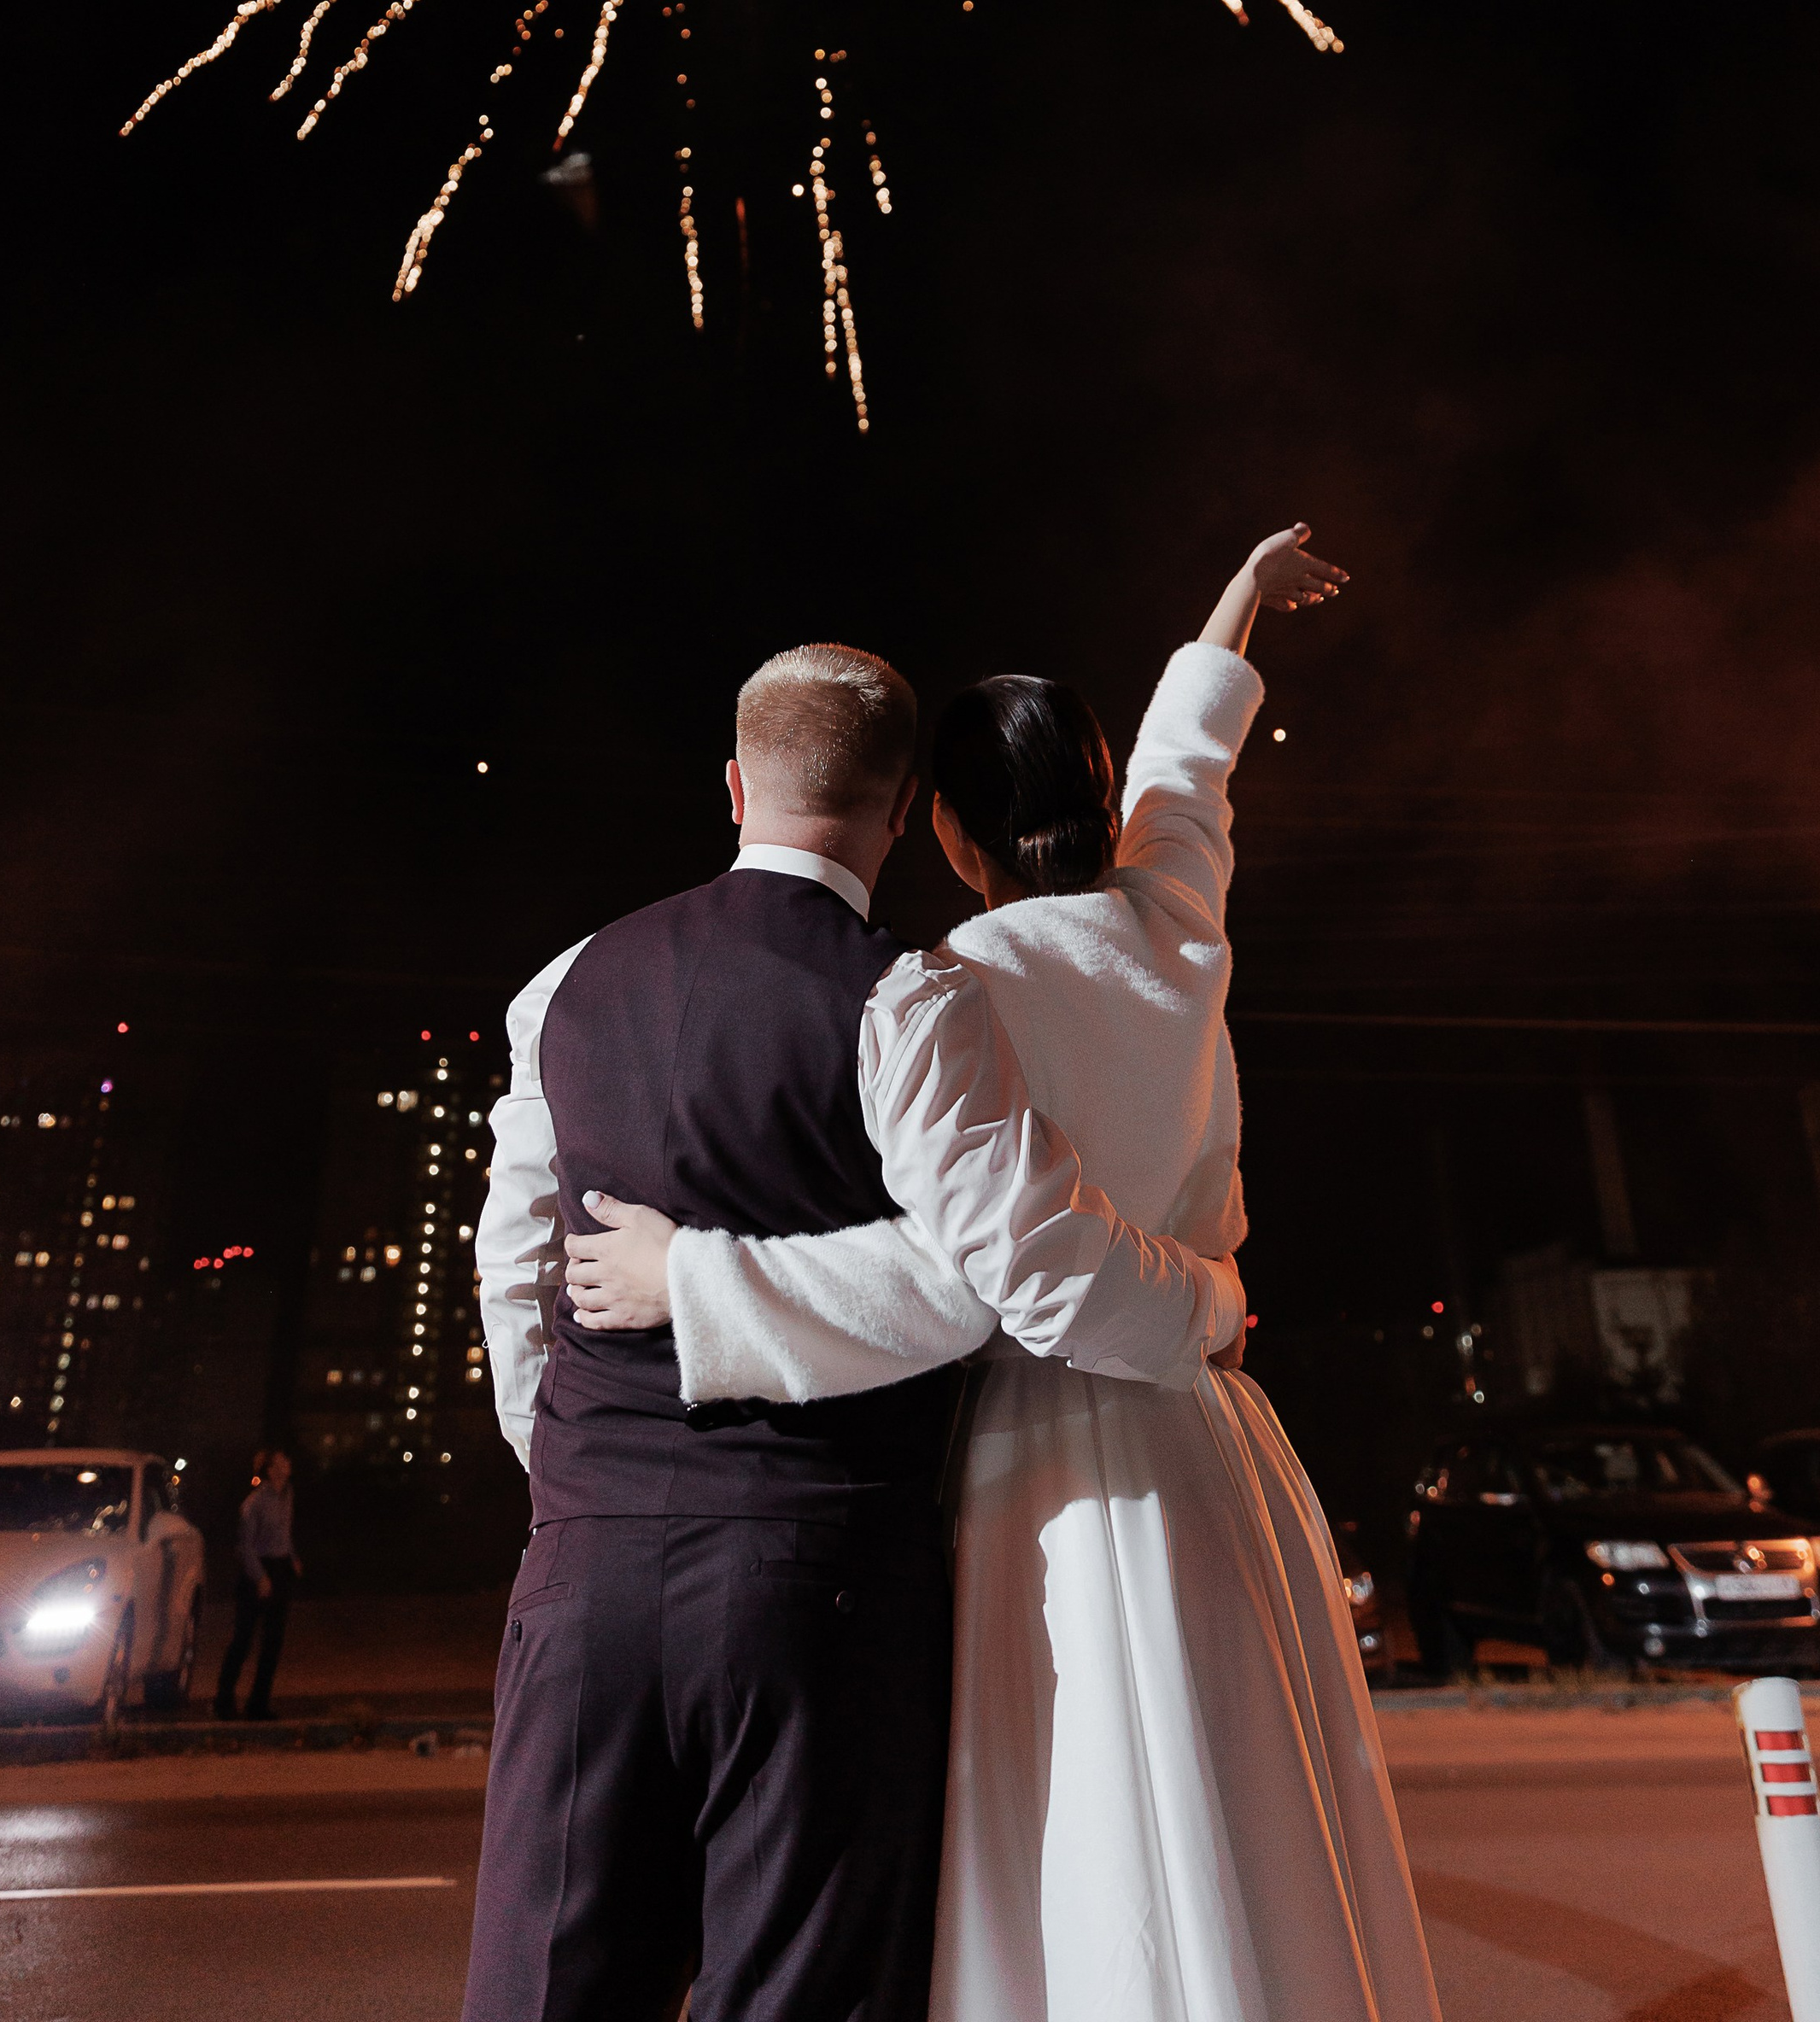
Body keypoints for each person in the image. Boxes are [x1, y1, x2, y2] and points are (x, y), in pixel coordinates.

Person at [571, 528, 1444, 2022]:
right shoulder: (1180, 927)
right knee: (1249, 1821)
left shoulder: (949, 994)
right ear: (1097, 802)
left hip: (1053, 1456)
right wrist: (1235, 609)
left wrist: (696, 1281)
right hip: (1224, 1449)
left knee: (1082, 1844)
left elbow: (984, 1273)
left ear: (948, 835)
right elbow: (1192, 776)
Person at [466, 638, 1245, 2022]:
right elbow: (1010, 1279)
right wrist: (1210, 1294)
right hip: (817, 1591)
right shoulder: (911, 997)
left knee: (546, 1993)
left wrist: (573, 1480)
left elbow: (515, 1267)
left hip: (579, 1574)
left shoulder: (562, 984)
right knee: (801, 1996)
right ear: (903, 817)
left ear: (732, 786)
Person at [214, 1445, 300, 1723]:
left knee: (273, 1642)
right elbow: (245, 1546)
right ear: (272, 1469)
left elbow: (283, 1534)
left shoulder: (287, 1495)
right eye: (282, 1461)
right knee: (243, 1640)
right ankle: (223, 1702)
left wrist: (292, 1559)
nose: (287, 1464)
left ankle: (258, 1703)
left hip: (279, 1568)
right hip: (257, 1573)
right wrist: (260, 1577)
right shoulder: (255, 1503)